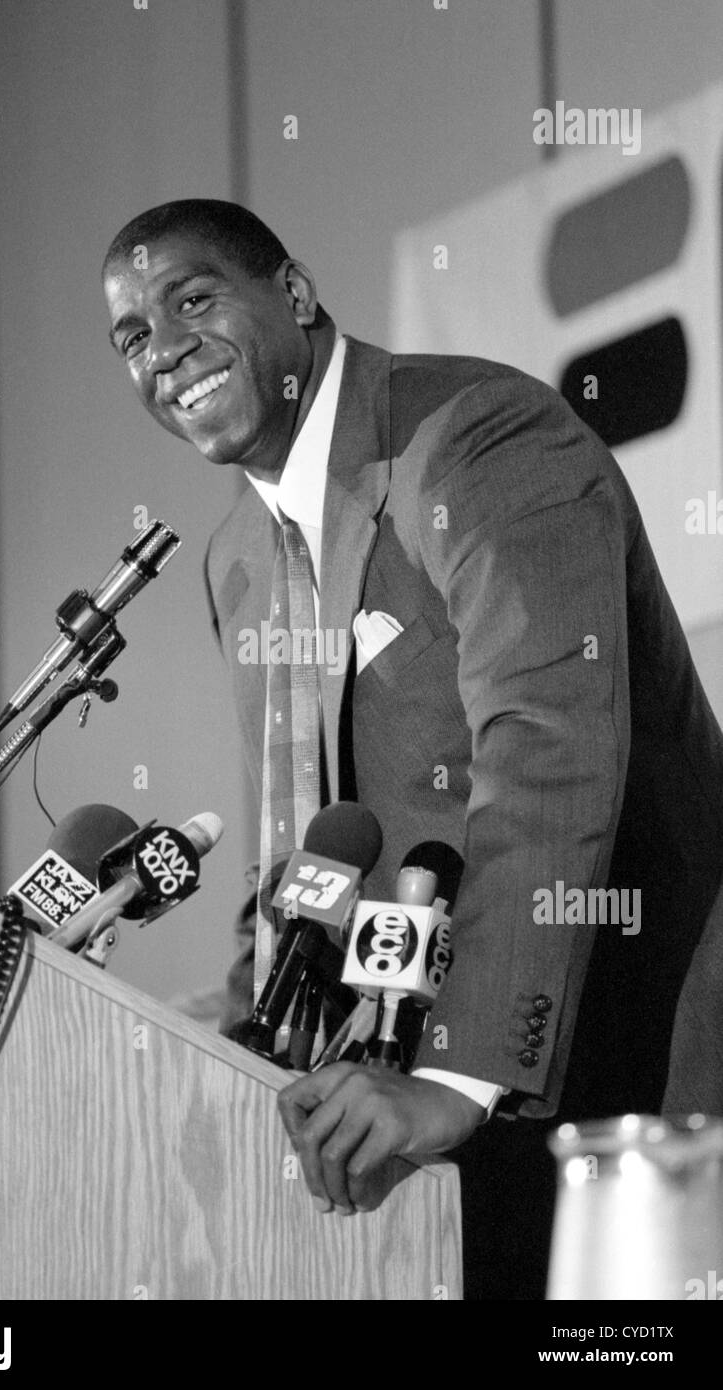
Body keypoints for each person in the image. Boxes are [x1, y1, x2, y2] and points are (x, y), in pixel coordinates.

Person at [103, 198, 723, 1299]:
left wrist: (455, 1071)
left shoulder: (477, 434)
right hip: (419, 1130)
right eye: (133, 337)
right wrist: (249, 1034)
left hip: (627, 1054)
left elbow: (547, 752)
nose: (165, 352)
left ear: (292, 294)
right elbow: (309, 839)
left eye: (192, 301)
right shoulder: (239, 553)